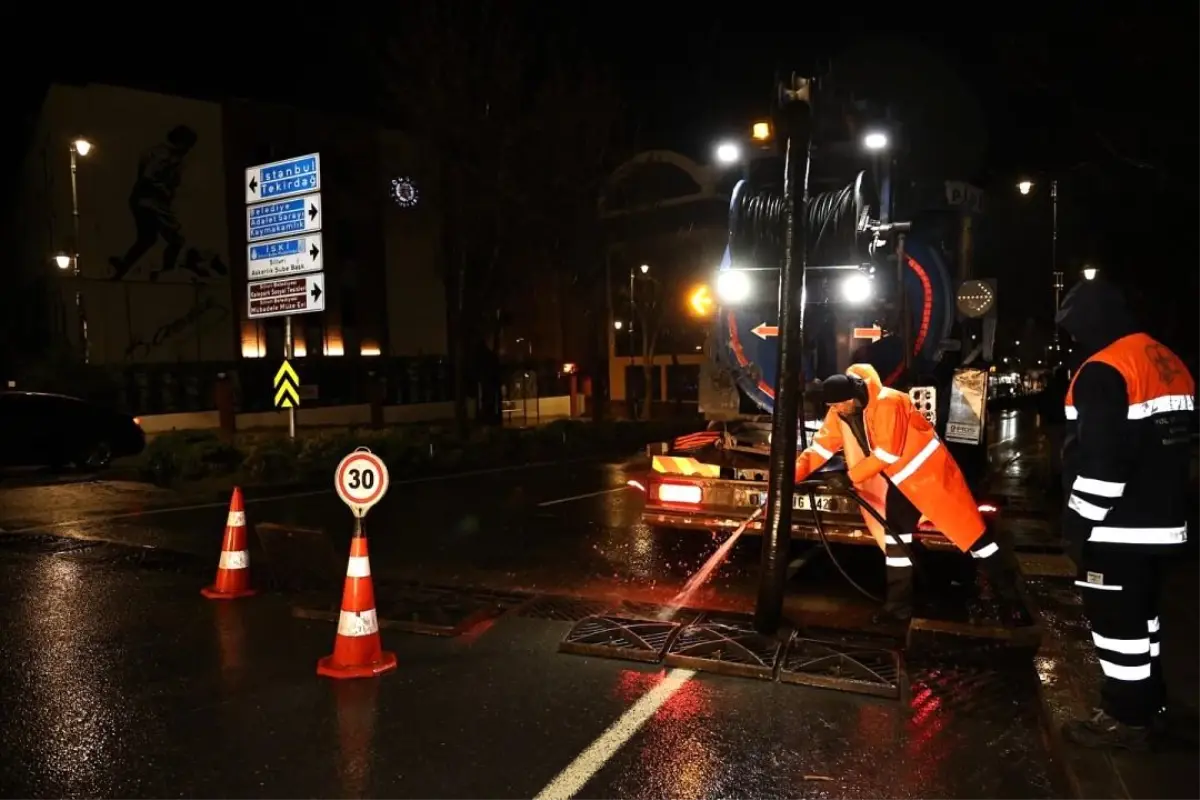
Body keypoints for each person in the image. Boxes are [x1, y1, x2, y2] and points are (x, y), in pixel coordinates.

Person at [1055, 279, 1194, 750]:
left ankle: (1125, 718)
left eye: (1074, 330)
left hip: (1117, 529)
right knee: (1145, 622)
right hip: (1164, 525)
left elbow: (1102, 462)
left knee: (1117, 627)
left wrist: (1079, 525)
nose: (1074, 340)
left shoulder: (1104, 370)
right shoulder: (1167, 361)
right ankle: (1151, 704)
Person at [794, 363, 1019, 626]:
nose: (837, 410)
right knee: (896, 539)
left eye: (841, 405)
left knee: (976, 540)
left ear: (856, 395)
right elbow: (820, 448)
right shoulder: (842, 411)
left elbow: (888, 453)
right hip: (902, 485)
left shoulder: (890, 402)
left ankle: (1012, 600)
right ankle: (898, 606)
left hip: (933, 481)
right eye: (833, 406)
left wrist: (849, 477)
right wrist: (791, 475)